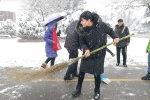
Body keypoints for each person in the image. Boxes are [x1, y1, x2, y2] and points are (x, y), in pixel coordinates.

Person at [72, 11, 119, 100]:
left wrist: (115, 37)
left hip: (99, 53)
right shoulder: (83, 28)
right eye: (80, 21)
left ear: (89, 20)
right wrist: (86, 49)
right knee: (82, 71)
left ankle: (97, 91)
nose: (81, 23)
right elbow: (82, 42)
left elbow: (110, 31)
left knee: (97, 73)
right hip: (88, 53)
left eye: (83, 21)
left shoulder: (101, 25)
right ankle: (78, 89)